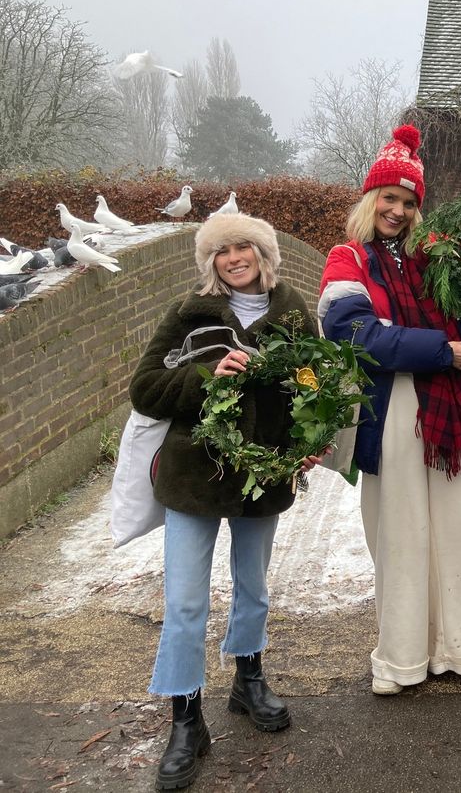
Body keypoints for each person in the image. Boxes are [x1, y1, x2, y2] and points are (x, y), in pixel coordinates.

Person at [318, 125, 461, 695]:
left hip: (447, 410)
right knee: (401, 533)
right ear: (370, 199)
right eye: (390, 198)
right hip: (393, 412)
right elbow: (353, 333)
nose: (399, 211)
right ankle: (402, 657)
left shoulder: (431, 257)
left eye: (409, 202)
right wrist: (440, 350)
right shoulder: (347, 259)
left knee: (457, 529)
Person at [130, 213, 320, 791]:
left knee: (253, 587)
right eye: (222, 251)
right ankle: (186, 718)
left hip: (264, 474)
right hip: (194, 475)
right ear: (209, 261)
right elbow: (144, 388)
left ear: (264, 254)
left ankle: (248, 678)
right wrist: (208, 376)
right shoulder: (189, 315)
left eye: (244, 247)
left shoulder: (293, 314)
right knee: (186, 600)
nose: (234, 258)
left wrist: (308, 441)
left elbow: (316, 388)